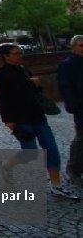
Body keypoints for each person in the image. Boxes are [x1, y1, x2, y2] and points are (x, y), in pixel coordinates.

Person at [0, 43, 78, 200]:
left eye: (20, 52)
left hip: (37, 115)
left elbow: (34, 93)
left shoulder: (24, 69)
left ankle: (56, 186)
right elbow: (2, 99)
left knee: (51, 149)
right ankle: (7, 164)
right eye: (16, 53)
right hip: (20, 118)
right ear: (7, 56)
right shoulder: (1, 74)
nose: (20, 55)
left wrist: (37, 85)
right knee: (30, 153)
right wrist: (8, 120)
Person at [58, 34, 83, 186]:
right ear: (73, 47)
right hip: (81, 107)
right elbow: (65, 88)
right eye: (81, 45)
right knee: (81, 139)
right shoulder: (67, 64)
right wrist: (73, 106)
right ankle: (73, 169)